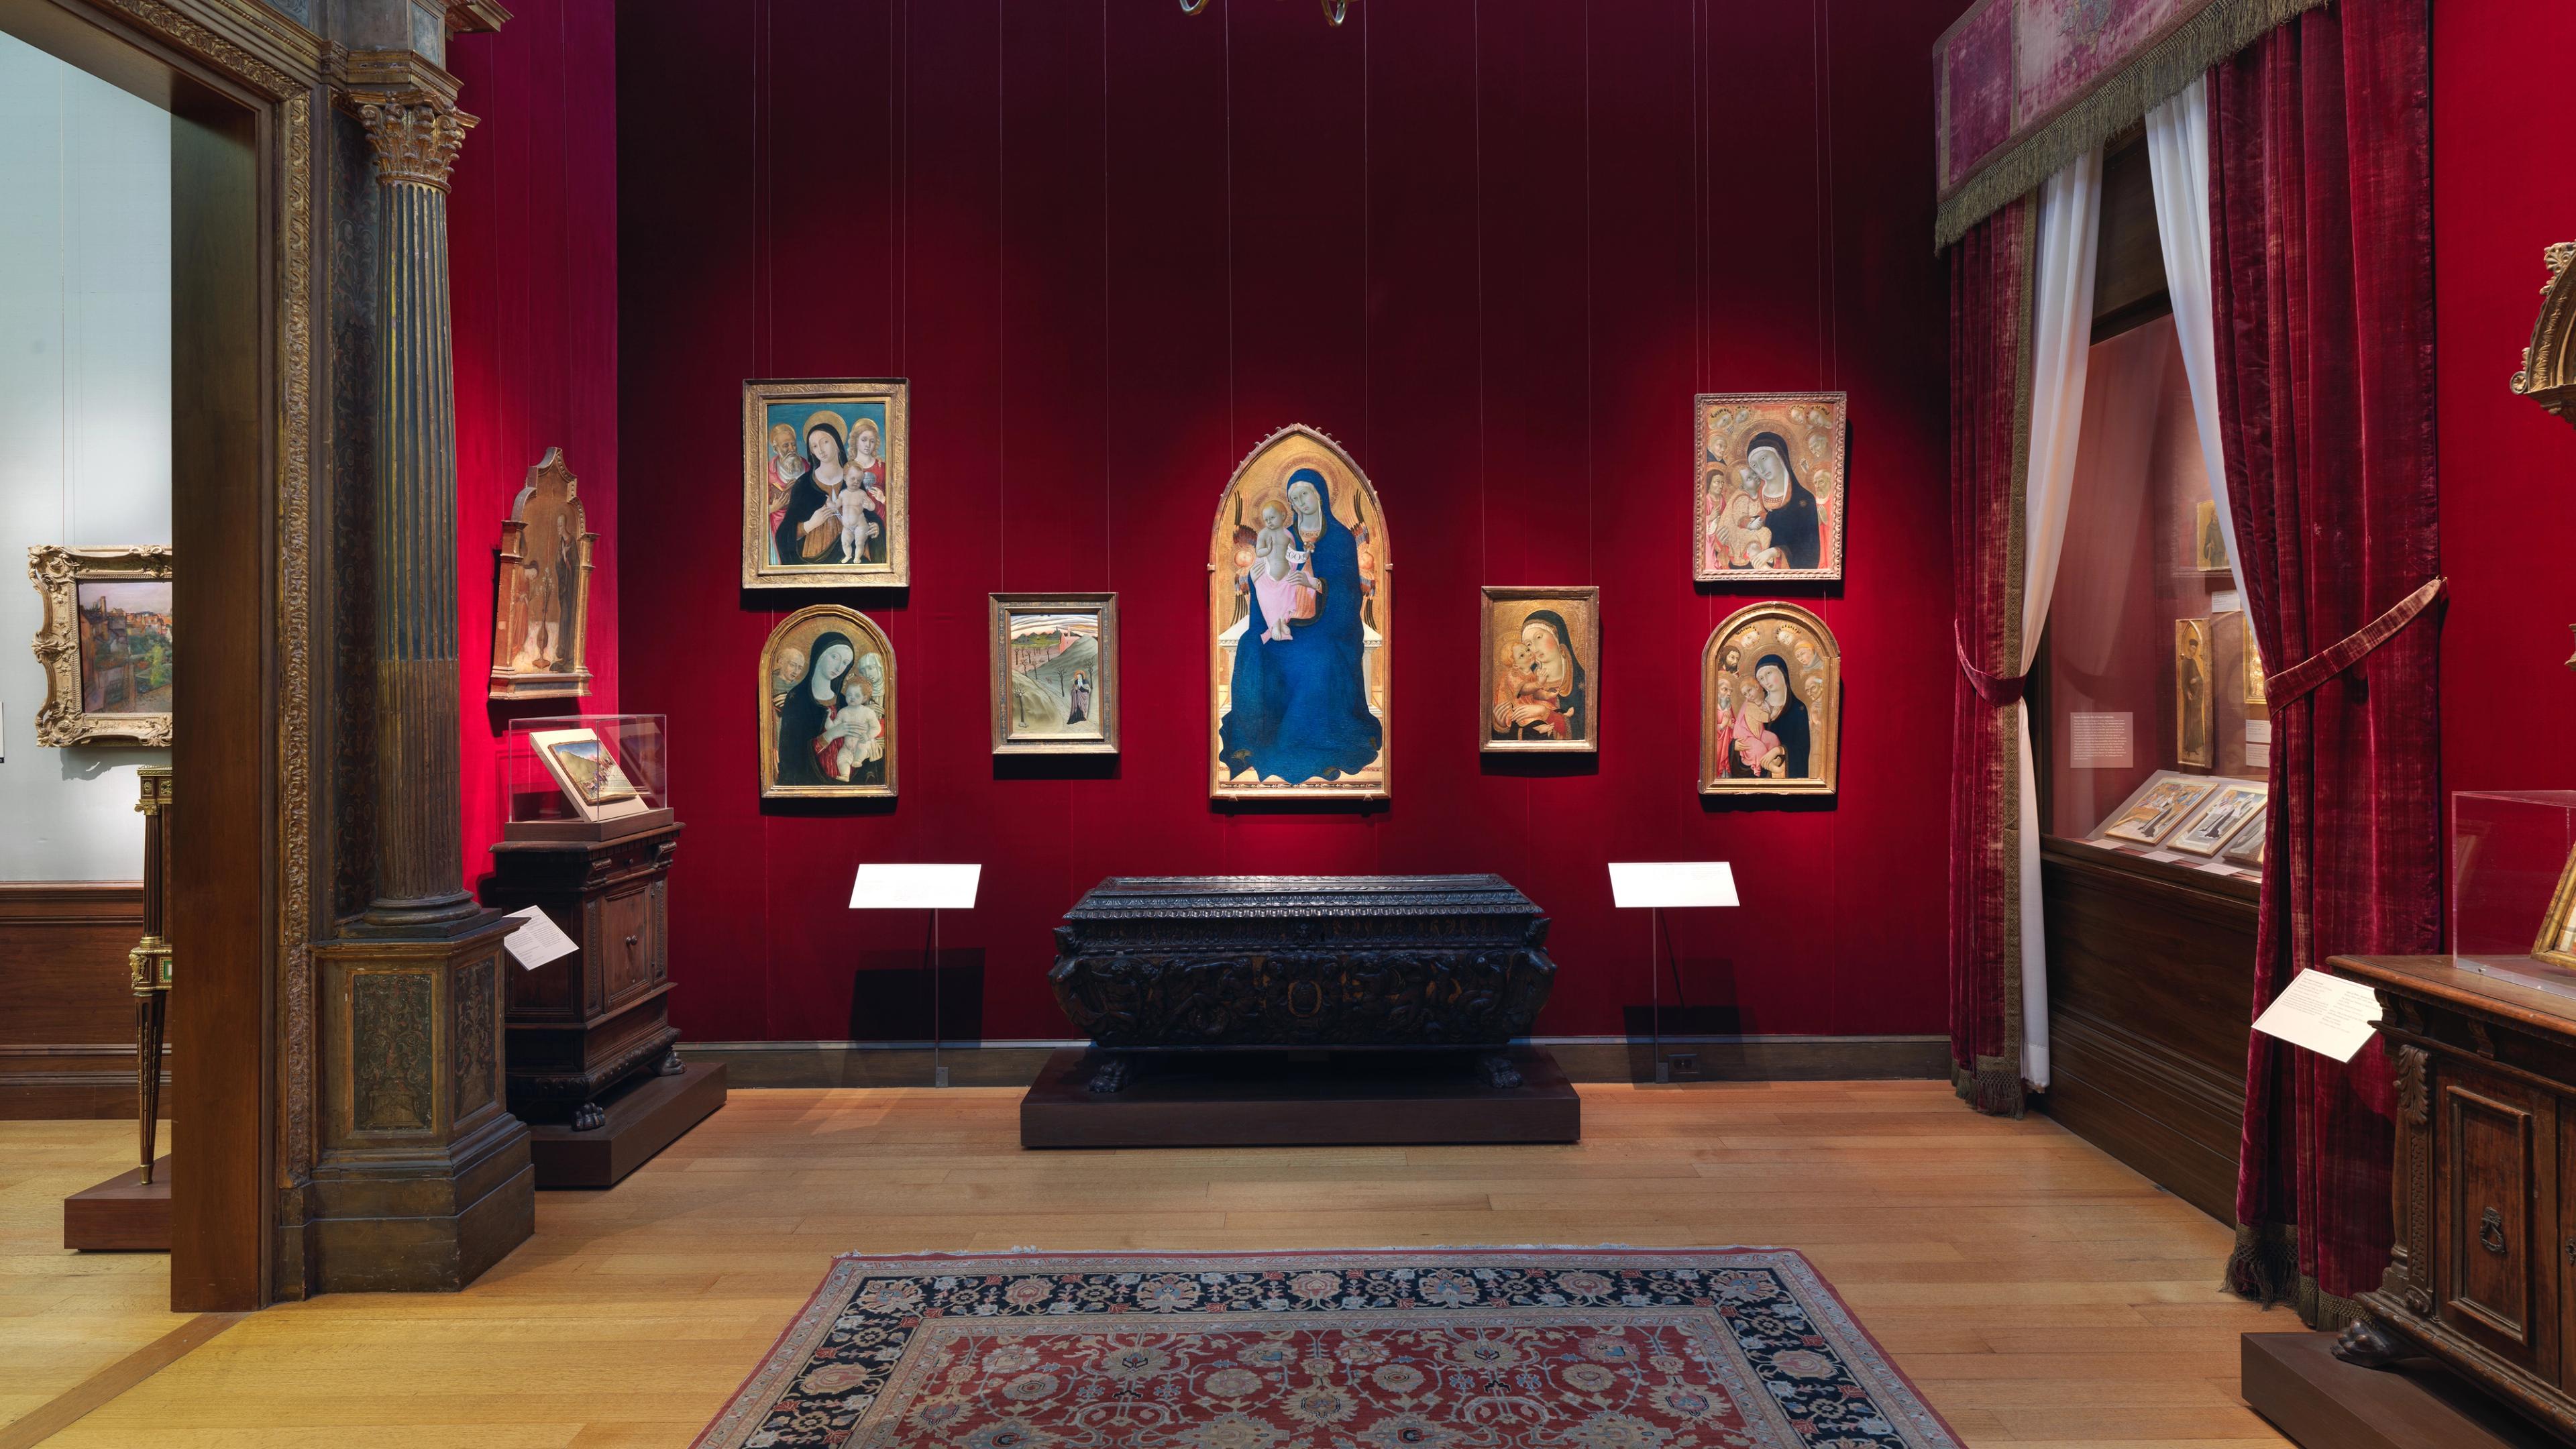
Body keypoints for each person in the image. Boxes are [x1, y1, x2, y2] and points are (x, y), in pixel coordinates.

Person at [1218, 468, 1381, 784]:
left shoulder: (1339, 538)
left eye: (1304, 493)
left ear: (1319, 493)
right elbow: (1271, 572)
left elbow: (1348, 592)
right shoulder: (1287, 533)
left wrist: (1316, 583)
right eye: (1294, 498)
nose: (1301, 502)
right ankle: (1261, 735)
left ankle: (1310, 741)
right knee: (1254, 646)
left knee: (1319, 661)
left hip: (1332, 626)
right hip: (1289, 617)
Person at [1490, 609, 1586, 742]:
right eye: (1528, 644)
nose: (1534, 647)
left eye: (1539, 637)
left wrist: (1544, 713)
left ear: (1555, 633)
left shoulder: (1582, 683)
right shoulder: (1526, 678)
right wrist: (1501, 725)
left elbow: (1584, 731)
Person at [773, 633, 855, 786]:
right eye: (835, 657)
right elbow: (792, 757)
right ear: (821, 655)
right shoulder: (797, 698)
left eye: (845, 663)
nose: (839, 668)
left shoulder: (845, 701)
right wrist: (830, 735)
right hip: (810, 785)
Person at [773, 417, 855, 566]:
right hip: (813, 560)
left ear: (837, 443)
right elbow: (783, 535)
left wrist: (873, 527)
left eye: (825, 442)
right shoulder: (804, 484)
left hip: (852, 556)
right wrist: (809, 525)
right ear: (812, 452)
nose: (821, 450)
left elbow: (870, 518)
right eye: (815, 446)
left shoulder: (853, 479)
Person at [1743, 431, 1821, 570]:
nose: (1761, 469)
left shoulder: (1804, 501)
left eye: (1763, 459)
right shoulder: (1752, 500)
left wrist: (1775, 552)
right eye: (1754, 465)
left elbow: (1810, 555)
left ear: (1780, 455)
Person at [1249, 500, 1311, 642]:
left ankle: (1282, 622)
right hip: (1268, 577)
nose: (1269, 522)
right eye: (1266, 519)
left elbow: (1294, 556)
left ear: (1283, 516)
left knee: (1285, 598)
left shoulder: (1288, 535)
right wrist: (1268, 550)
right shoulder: (1264, 534)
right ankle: (1274, 625)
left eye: (1272, 518)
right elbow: (1259, 552)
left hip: (1285, 576)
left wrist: (1305, 555)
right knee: (1268, 600)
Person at [1753, 655, 1811, 777]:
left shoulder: (1798, 709)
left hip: (1785, 773)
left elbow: (1802, 749)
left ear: (1782, 672)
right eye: (1761, 679)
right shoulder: (1756, 708)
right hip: (1759, 771)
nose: (1766, 682)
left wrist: (1779, 750)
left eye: (1769, 673)